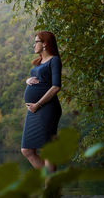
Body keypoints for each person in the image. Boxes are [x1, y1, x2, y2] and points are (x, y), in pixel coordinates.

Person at [21, 31, 62, 172]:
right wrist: (27, 81)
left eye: (36, 41)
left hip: (46, 108)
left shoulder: (54, 60)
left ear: (44, 43)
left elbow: (56, 86)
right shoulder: (38, 63)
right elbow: (36, 80)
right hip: (33, 110)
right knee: (26, 150)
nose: (34, 45)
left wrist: (38, 104)